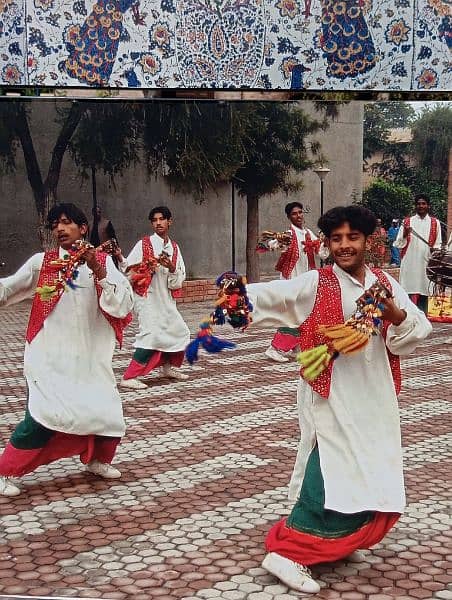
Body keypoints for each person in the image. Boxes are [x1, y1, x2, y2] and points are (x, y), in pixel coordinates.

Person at [245, 205, 431, 593]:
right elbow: (276, 297)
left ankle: (336, 541)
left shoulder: (383, 281)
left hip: (375, 390)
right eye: (336, 239)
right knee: (331, 458)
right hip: (331, 390)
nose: (344, 246)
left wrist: (394, 313)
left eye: (352, 237)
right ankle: (290, 551)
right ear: (328, 243)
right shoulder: (319, 282)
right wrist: (235, 296)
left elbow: (417, 329)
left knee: (368, 461)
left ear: (367, 241)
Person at [0, 203, 133, 497]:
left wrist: (97, 268)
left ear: (83, 228)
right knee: (43, 416)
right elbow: (9, 289)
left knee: (108, 415)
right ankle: (5, 470)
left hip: (89, 358)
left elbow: (122, 305)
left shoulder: (103, 262)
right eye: (55, 224)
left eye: (66, 223)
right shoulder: (43, 263)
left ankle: (96, 461)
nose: (59, 229)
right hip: (50, 357)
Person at [119, 206, 190, 390]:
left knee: (178, 331)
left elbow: (178, 278)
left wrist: (171, 267)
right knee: (151, 335)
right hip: (147, 297)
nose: (158, 223)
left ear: (169, 221)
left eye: (161, 219)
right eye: (154, 220)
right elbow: (128, 269)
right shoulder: (144, 244)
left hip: (165, 298)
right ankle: (129, 376)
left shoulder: (174, 248)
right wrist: (139, 265)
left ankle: (167, 368)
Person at [265, 202, 328, 363]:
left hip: (305, 281)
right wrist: (280, 241)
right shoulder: (289, 234)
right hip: (291, 282)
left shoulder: (308, 233)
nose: (299, 216)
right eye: (294, 213)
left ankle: (296, 347)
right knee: (295, 315)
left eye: (300, 212)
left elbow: (322, 253)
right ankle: (275, 349)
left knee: (305, 314)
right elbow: (272, 245)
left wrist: (326, 242)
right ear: (289, 217)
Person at [394, 194, 442, 314]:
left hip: (425, 263)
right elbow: (398, 244)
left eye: (423, 203)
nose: (421, 206)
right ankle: (409, 318)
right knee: (408, 290)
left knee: (424, 291)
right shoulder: (407, 222)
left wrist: (435, 251)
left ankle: (423, 319)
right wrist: (405, 234)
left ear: (428, 206)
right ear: (415, 206)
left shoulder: (435, 223)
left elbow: (438, 243)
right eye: (419, 204)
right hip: (410, 262)